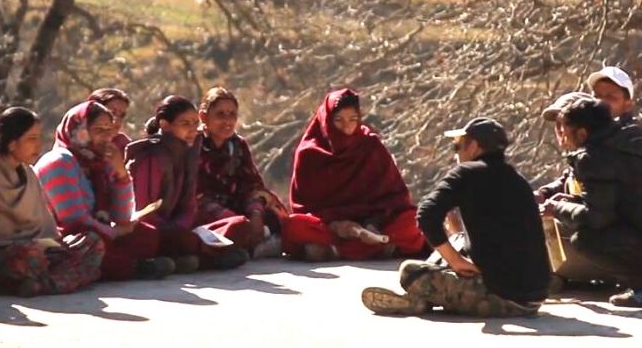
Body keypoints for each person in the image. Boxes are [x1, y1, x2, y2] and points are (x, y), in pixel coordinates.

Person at [362, 117, 550, 317]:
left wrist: (456, 261)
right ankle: (424, 298)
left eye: (458, 146)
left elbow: (426, 214)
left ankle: (419, 300)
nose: (456, 153)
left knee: (410, 271)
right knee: (455, 242)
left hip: (502, 299)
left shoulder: (466, 173)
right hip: (535, 296)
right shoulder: (518, 180)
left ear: (475, 146)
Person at [0, 107, 105, 296]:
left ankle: (43, 284)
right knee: (28, 254)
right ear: (12, 143)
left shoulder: (27, 171)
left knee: (91, 242)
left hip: (39, 248)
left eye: (39, 138)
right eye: (31, 139)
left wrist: (53, 245)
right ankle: (54, 281)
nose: (38, 145)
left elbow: (44, 222)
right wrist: (37, 244)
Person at [35, 101, 174, 281]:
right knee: (92, 243)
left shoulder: (100, 160)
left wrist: (121, 174)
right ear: (78, 131)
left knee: (146, 234)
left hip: (100, 231)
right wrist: (116, 233)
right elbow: (74, 220)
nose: (107, 137)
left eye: (109, 130)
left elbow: (122, 217)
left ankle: (124, 264)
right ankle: (132, 267)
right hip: (66, 237)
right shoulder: (58, 162)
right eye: (99, 130)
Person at [283, 88, 425, 261]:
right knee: (294, 227)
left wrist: (373, 224)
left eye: (353, 120)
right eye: (338, 120)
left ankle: (336, 251)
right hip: (331, 228)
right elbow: (303, 206)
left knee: (413, 221)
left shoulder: (370, 145)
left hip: (375, 224)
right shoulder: (310, 153)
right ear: (326, 120)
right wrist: (336, 225)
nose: (347, 127)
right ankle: (376, 249)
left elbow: (395, 197)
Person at [126, 95, 249, 272]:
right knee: (173, 239)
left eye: (195, 123)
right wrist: (178, 230)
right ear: (165, 125)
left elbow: (189, 205)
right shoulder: (152, 158)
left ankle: (194, 256)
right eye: (185, 124)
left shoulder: (188, 152)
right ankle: (206, 259)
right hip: (155, 228)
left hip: (181, 226)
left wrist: (183, 225)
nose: (193, 129)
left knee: (239, 224)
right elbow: (146, 212)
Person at [541, 99, 642, 307]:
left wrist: (557, 208)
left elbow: (598, 218)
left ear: (582, 133)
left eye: (566, 131)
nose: (563, 137)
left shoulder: (593, 157)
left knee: (586, 239)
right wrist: (576, 201)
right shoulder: (631, 137)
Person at [196, 86, 285, 258]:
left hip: (238, 209)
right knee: (235, 227)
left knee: (277, 218)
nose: (227, 121)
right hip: (208, 213)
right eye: (220, 115)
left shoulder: (238, 145)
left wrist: (256, 214)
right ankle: (246, 246)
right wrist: (232, 218)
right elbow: (195, 195)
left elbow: (252, 185)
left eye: (232, 115)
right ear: (203, 116)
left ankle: (247, 244)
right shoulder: (193, 146)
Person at [535, 92, 610, 288]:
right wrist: (544, 193)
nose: (560, 131)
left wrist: (563, 205)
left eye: (565, 124)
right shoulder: (578, 157)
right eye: (557, 125)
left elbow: (601, 209)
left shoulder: (599, 158)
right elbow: (566, 180)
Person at [87, 88, 133, 152]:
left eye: (122, 115)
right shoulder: (75, 146)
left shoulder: (126, 147)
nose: (117, 120)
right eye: (111, 113)